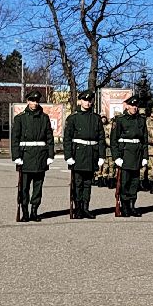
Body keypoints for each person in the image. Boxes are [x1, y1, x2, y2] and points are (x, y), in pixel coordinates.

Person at [10, 90, 54, 221]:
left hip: (40, 156)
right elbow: (15, 139)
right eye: (32, 100)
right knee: (23, 187)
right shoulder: (20, 118)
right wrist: (16, 156)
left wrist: (50, 155)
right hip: (25, 157)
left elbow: (49, 138)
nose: (34, 103)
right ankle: (25, 211)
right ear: (27, 101)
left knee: (38, 186)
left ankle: (34, 211)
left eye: (36, 101)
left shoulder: (44, 118)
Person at [62, 90, 105, 219]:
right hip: (78, 154)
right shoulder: (73, 118)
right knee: (78, 183)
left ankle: (86, 208)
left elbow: (101, 138)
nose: (87, 102)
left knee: (88, 183)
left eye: (90, 100)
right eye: (85, 100)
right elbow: (67, 138)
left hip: (92, 153)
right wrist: (68, 156)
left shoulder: (96, 118)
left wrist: (101, 156)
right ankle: (78, 208)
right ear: (80, 101)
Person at [109, 94, 149, 217]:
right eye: (132, 105)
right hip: (125, 155)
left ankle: (132, 205)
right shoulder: (120, 120)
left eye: (136, 105)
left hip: (137, 154)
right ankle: (124, 206)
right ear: (127, 106)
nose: (134, 108)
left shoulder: (141, 120)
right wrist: (116, 157)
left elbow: (144, 140)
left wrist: (145, 157)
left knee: (134, 182)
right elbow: (113, 140)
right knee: (125, 182)